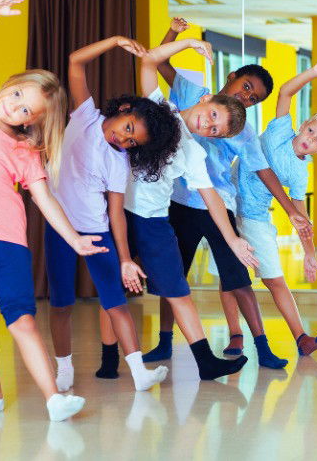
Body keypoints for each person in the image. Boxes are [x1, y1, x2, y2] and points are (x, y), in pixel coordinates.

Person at [0, 0, 101, 420]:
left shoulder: (26, 152)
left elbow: (45, 200)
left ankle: (54, 399)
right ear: (6, 86)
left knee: (22, 321)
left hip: (8, 243)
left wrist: (75, 239)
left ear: (32, 120)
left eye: (26, 107)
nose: (15, 104)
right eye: (16, 93)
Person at [143, 18, 312, 368]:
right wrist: (175, 33)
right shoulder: (192, 92)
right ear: (232, 75)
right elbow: (158, 62)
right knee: (173, 273)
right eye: (247, 86)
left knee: (237, 278)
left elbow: (262, 169)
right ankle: (163, 342)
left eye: (254, 98)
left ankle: (262, 346)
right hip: (179, 202)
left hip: (219, 205)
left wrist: (289, 208)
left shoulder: (244, 132)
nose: (247, 96)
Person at [95, 37, 257, 380]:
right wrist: (187, 42)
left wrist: (233, 240)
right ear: (205, 99)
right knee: (110, 285)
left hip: (154, 222)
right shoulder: (160, 109)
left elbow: (212, 199)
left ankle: (206, 362)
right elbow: (149, 61)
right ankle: (109, 359)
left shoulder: (192, 152)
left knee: (178, 291)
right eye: (211, 115)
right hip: (119, 212)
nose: (207, 125)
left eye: (215, 129)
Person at [45, 35, 179, 392]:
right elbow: (75, 61)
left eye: (133, 142)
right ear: (123, 111)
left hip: (96, 232)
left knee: (115, 303)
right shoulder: (87, 115)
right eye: (129, 129)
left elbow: (116, 214)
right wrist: (115, 41)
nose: (125, 140)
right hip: (59, 227)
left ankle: (139, 373)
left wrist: (124, 259)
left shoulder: (118, 163)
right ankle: (63, 368)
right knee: (60, 304)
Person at [224, 54, 317, 356]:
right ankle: (235, 335)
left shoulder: (299, 172)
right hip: (225, 202)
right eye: (312, 131)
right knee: (229, 278)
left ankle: (301, 337)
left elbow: (301, 215)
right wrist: (314, 73)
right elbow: (286, 91)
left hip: (253, 218)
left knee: (274, 279)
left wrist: (310, 253)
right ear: (303, 125)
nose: (311, 140)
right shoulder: (280, 130)